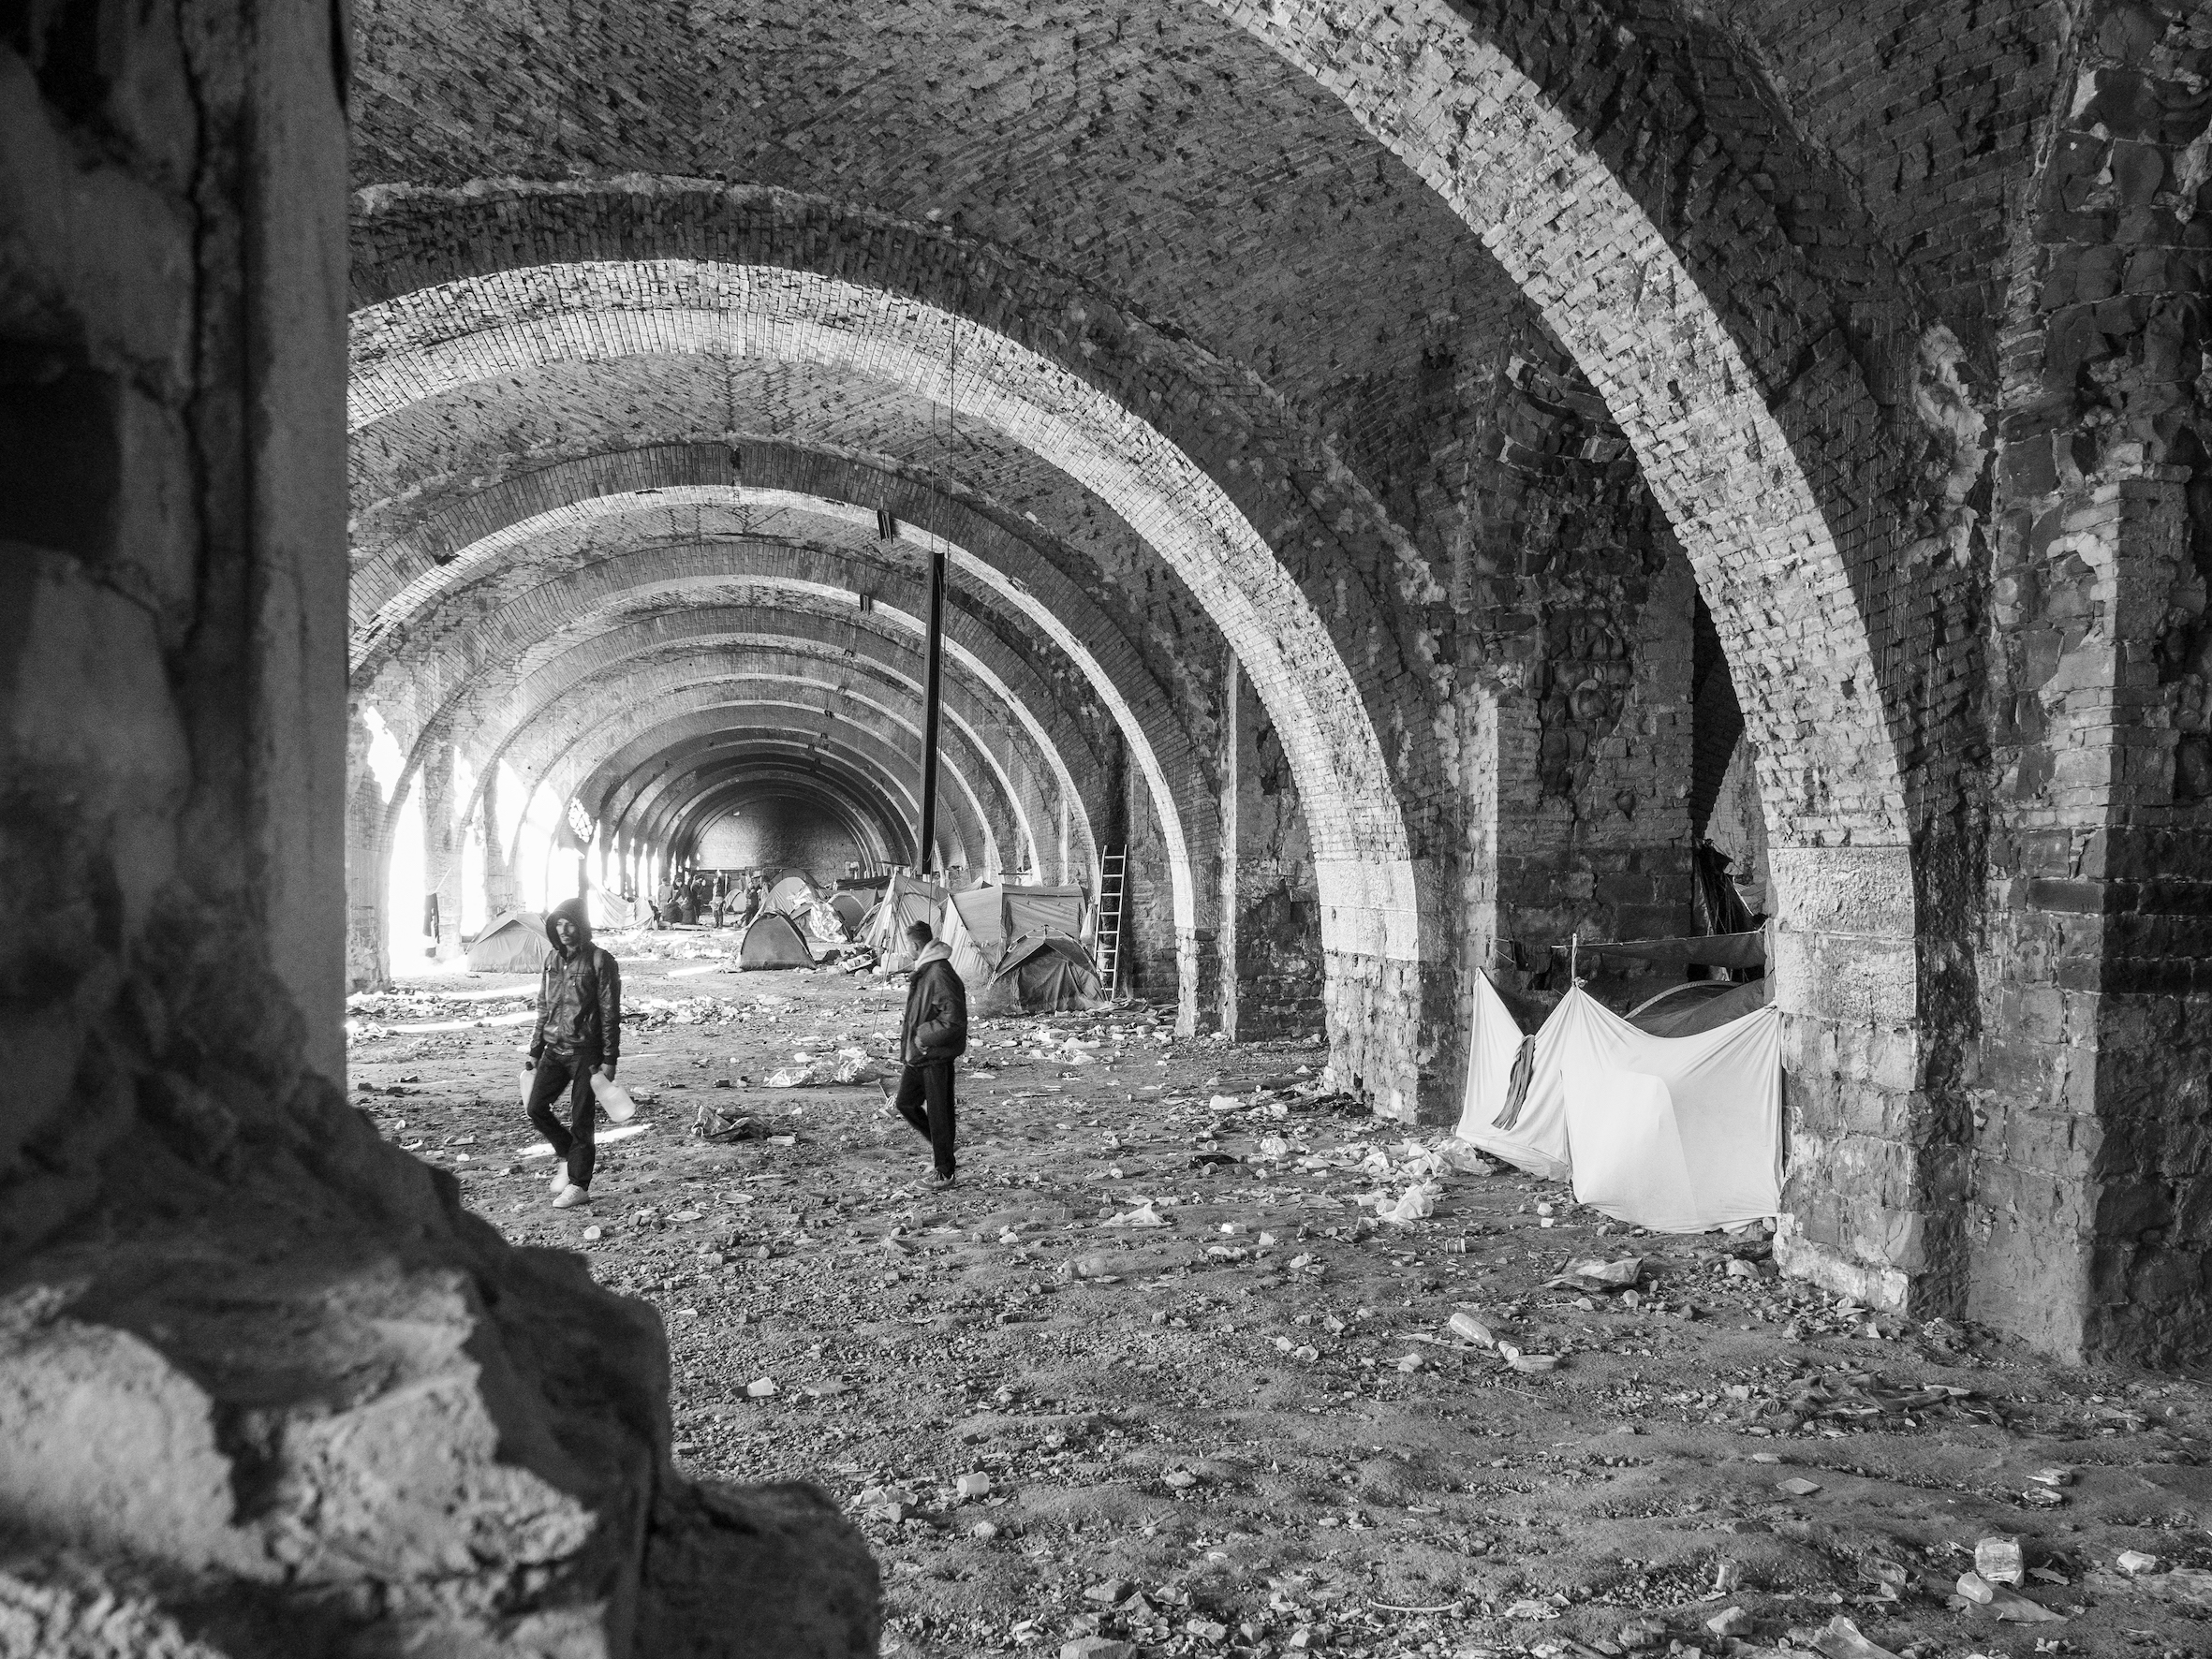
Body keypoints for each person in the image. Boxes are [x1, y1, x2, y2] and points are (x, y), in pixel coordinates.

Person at [524, 896, 623, 1210]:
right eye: (558, 924)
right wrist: (536, 1049)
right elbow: (544, 1006)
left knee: (582, 1119)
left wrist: (609, 1058)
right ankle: (569, 1153)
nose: (564, 930)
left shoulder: (600, 960)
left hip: (586, 1052)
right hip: (554, 1048)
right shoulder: (552, 959)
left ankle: (579, 1185)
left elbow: (610, 1012)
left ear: (582, 925)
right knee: (536, 1107)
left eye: (570, 923)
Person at [892, 919, 966, 1184]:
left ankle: (944, 1171)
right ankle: (942, 1147)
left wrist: (923, 1035)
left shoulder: (938, 972)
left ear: (914, 945)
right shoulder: (927, 969)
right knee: (905, 1102)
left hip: (934, 1054)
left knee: (939, 1113)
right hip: (919, 1054)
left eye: (907, 946)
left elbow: (954, 1020)